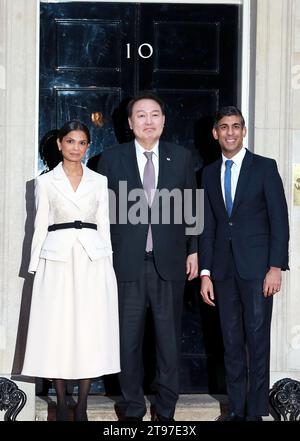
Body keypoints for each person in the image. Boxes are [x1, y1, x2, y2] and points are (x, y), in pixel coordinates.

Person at [98, 92, 198, 421]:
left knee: (168, 344)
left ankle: (165, 411)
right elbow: (102, 213)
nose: (148, 121)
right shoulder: (111, 159)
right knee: (128, 343)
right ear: (130, 123)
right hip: (126, 264)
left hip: (168, 264)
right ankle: (132, 409)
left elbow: (191, 209)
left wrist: (194, 251)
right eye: (141, 115)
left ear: (164, 121)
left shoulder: (182, 158)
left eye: (155, 114)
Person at [22, 120, 120, 421]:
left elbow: (104, 224)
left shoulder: (99, 181)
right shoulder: (45, 182)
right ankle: (63, 403)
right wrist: (35, 267)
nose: (76, 148)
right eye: (70, 142)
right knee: (59, 329)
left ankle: (83, 404)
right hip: (58, 260)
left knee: (90, 329)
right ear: (59, 144)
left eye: (81, 143)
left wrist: (109, 267)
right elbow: (39, 227)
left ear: (87, 146)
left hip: (93, 260)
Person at [199, 106, 289, 421]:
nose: (230, 132)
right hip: (222, 272)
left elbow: (280, 220)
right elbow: (208, 225)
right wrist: (206, 273)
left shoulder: (264, 167)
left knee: (257, 341)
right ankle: (237, 410)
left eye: (236, 126)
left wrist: (276, 267)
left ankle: (256, 412)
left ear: (244, 130)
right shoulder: (208, 173)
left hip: (258, 270)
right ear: (215, 133)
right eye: (224, 127)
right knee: (231, 343)